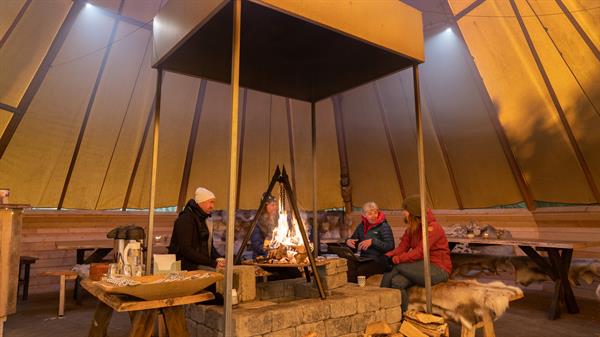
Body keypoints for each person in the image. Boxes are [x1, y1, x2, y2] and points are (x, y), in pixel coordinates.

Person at [381, 195, 452, 312]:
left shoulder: (433, 228)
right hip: (420, 267)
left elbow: (419, 252)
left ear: (413, 211)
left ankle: (381, 303)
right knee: (397, 282)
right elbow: (403, 247)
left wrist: (395, 259)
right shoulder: (412, 228)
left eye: (405, 210)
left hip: (439, 269)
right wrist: (388, 255)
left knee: (397, 266)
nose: (403, 213)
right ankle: (401, 316)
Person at [168, 187, 226, 271]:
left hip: (200, 264)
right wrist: (212, 263)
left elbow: (208, 245)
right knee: (219, 275)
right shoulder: (185, 219)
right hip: (186, 267)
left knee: (225, 271)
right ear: (201, 202)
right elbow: (186, 250)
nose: (212, 206)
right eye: (211, 202)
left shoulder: (204, 219)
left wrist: (218, 258)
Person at [344, 201, 395, 283]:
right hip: (364, 258)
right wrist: (348, 241)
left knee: (361, 271)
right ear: (364, 215)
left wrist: (373, 241)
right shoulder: (361, 227)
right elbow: (354, 246)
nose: (373, 216)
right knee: (349, 265)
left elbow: (390, 246)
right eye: (370, 213)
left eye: (375, 213)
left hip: (380, 260)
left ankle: (359, 292)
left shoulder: (384, 226)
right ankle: (352, 291)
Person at [250, 195, 278, 259]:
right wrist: (270, 252)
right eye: (272, 205)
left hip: (277, 255)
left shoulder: (279, 220)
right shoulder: (257, 222)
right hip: (261, 256)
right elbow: (257, 245)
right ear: (265, 206)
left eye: (276, 205)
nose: (275, 207)